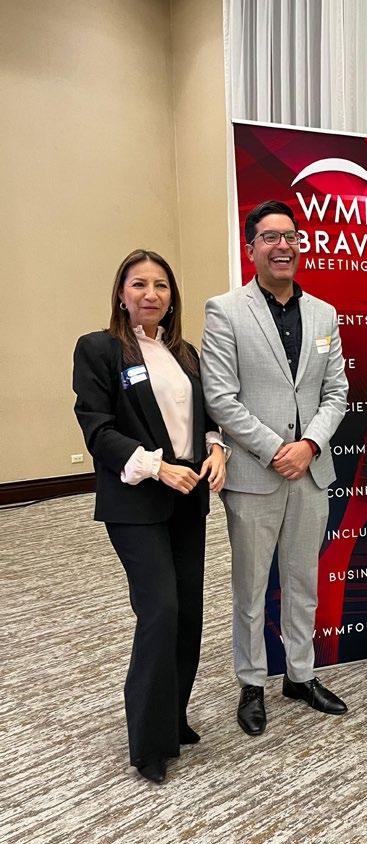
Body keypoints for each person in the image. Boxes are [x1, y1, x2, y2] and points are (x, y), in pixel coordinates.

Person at [73, 249, 226, 783]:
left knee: (187, 613)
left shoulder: (184, 353)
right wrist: (158, 467)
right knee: (159, 610)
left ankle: (173, 717)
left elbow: (203, 415)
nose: (150, 294)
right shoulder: (99, 348)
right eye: (139, 284)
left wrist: (215, 447)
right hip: (137, 498)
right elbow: (98, 429)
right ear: (121, 293)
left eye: (160, 285)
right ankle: (148, 743)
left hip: (188, 495)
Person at [200, 200, 349, 737]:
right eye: (270, 237)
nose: (283, 245)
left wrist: (308, 444)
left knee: (303, 580)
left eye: (291, 236)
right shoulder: (225, 311)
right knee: (251, 586)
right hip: (254, 477)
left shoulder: (324, 314)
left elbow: (336, 392)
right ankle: (251, 682)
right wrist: (275, 449)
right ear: (251, 248)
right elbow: (220, 398)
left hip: (310, 472)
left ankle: (300, 675)